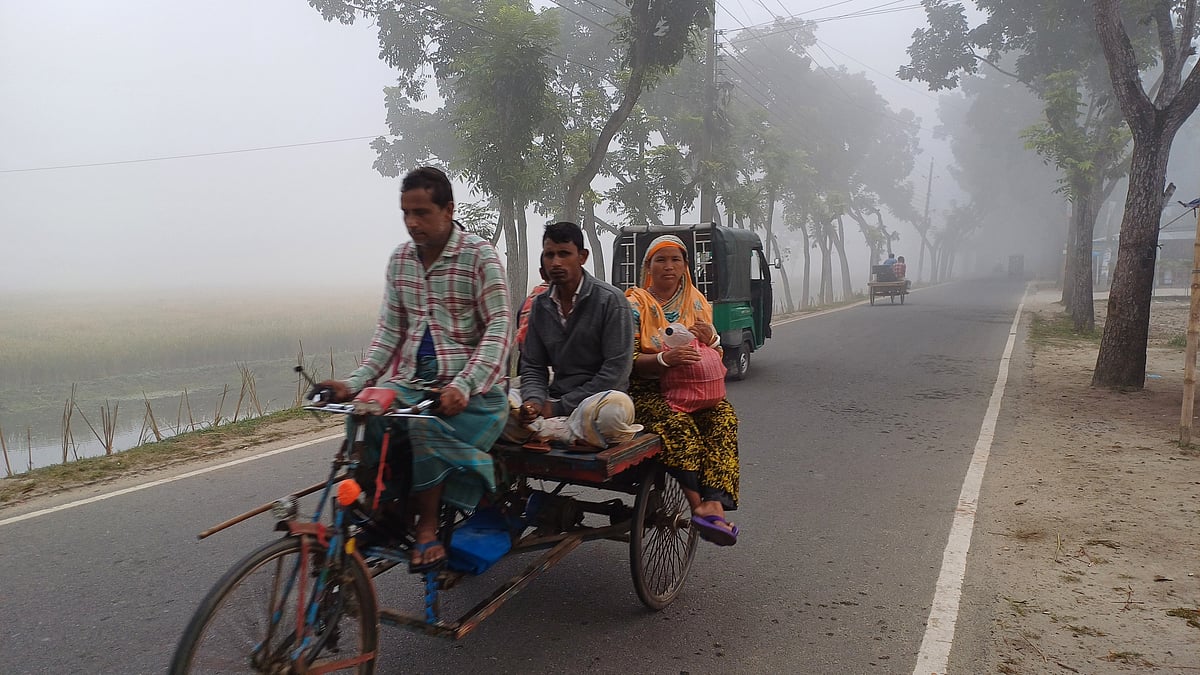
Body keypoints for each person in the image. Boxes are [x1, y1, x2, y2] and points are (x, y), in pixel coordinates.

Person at [316, 166, 512, 571]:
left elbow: (498, 330)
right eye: (406, 213)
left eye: (422, 212)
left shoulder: (480, 257)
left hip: (475, 395)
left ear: (449, 209)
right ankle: (386, 512)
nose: (411, 223)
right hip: (413, 385)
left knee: (424, 427)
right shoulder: (401, 260)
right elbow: (388, 334)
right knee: (365, 418)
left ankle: (426, 529)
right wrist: (353, 385)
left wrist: (464, 384)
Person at [625, 235, 741, 546]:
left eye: (675, 260)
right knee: (679, 426)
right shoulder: (634, 304)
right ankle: (698, 507)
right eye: (660, 260)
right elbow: (628, 361)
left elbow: (712, 357)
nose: (668, 266)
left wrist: (712, 341)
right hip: (648, 391)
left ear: (685, 266)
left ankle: (714, 503)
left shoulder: (697, 302)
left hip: (693, 389)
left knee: (724, 418)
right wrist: (665, 359)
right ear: (648, 267)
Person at [516, 221, 640, 447]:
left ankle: (547, 430)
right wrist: (533, 402)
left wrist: (559, 407)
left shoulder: (611, 301)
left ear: (582, 256)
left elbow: (616, 371)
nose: (555, 263)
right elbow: (533, 365)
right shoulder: (540, 306)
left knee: (613, 413)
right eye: (549, 255)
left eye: (564, 254)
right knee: (499, 404)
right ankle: (565, 432)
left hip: (598, 401)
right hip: (555, 396)